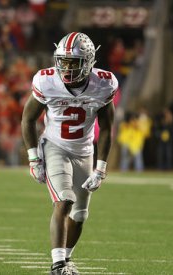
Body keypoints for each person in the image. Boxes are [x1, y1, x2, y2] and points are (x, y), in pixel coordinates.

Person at [21, 32, 117, 275]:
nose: (66, 68)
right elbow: (28, 118)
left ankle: (67, 258)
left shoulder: (103, 84)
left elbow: (106, 128)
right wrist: (33, 157)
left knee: (80, 214)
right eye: (63, 61)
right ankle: (58, 264)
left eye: (72, 63)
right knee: (64, 200)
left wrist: (101, 168)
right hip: (55, 146)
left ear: (88, 62)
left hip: (84, 150)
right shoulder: (46, 81)